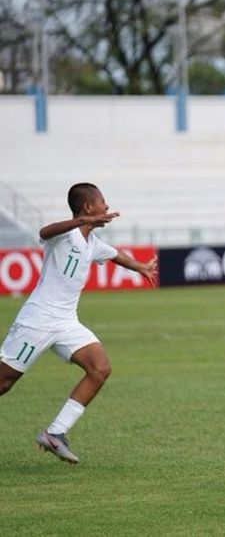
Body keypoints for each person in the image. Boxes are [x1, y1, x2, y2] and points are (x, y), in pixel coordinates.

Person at [0, 183, 158, 463]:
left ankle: (54, 433)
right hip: (37, 320)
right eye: (103, 202)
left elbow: (116, 256)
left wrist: (141, 267)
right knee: (4, 382)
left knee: (100, 368)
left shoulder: (93, 244)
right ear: (87, 207)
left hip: (66, 322)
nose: (107, 207)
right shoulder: (64, 235)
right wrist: (81, 222)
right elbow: (43, 232)